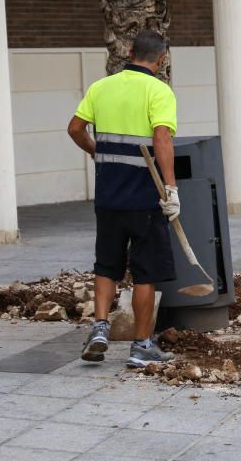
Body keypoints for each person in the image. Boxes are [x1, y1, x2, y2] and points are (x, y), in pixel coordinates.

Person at [67, 30, 181, 367]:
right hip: (145, 198)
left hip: (108, 196)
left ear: (130, 52)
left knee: (107, 264)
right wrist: (171, 188)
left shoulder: (100, 87)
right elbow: (162, 139)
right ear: (161, 60)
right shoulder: (159, 91)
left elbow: (75, 128)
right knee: (145, 273)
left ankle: (100, 328)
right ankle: (142, 346)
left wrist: (96, 151)